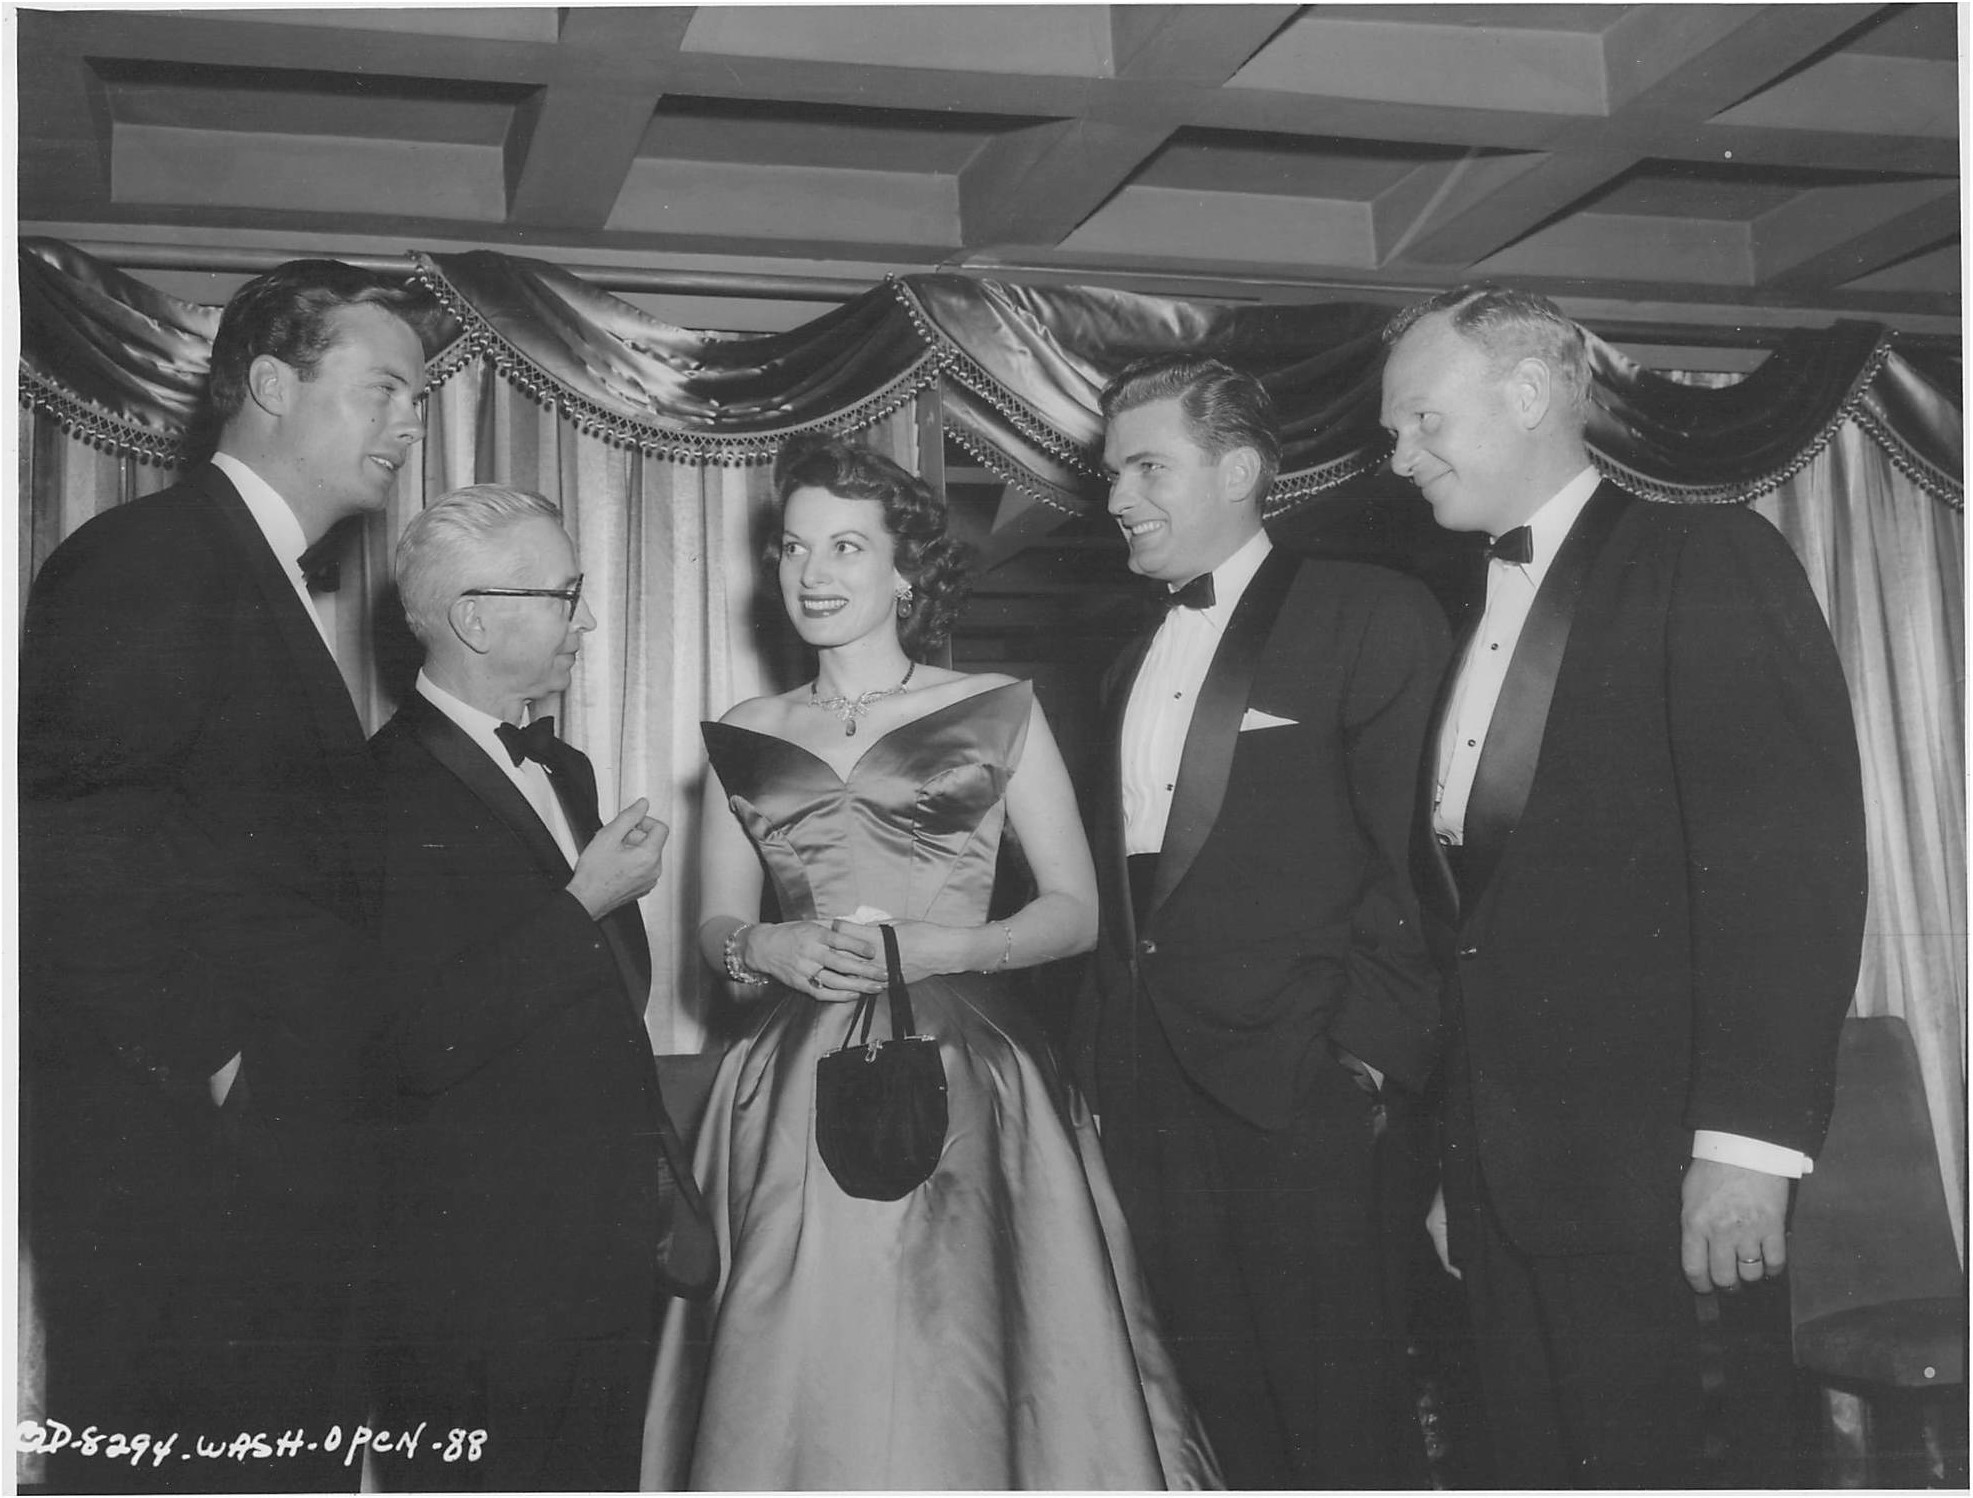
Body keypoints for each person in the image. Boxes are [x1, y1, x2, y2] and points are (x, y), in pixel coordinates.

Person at [639, 436, 1221, 1490]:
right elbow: (716, 930)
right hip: (786, 1081)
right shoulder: (746, 726)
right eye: (793, 546)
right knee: (801, 1358)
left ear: (904, 570)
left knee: (962, 1348)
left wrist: (940, 945)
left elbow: (1076, 911)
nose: (811, 573)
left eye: (846, 547)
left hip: (963, 1067)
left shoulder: (996, 704)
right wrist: (763, 942)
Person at [1380, 284, 1867, 1487]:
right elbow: (1478, 923)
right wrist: (1463, 1170)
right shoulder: (1468, 615)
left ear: (1533, 393)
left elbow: (1787, 873)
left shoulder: (1701, 555)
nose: (1398, 459)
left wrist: (1748, 1151)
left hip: (1664, 1183)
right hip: (1508, 1187)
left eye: (1421, 421)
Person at [19, 260, 428, 1492]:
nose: (409, 425)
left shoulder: (255, 571)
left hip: (262, 1168)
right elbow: (73, 845)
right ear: (267, 384)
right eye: (383, 390)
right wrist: (220, 1064)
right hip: (189, 1177)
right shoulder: (148, 558)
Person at [1077, 354, 1451, 1488]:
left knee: (1344, 1420)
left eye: (1147, 467)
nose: (1115, 499)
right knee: (1218, 1407)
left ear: (1238, 469)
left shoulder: (1368, 610)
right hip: (1150, 1086)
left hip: (1304, 1087)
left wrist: (1360, 1065)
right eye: (1109, 473)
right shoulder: (1119, 665)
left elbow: (1412, 864)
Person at [366, 486, 717, 1492]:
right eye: (567, 594)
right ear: (475, 616)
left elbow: (607, 995)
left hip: (603, 1251)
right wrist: (582, 901)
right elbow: (414, 1040)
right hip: (477, 1281)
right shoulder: (374, 789)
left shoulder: (560, 766)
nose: (589, 619)